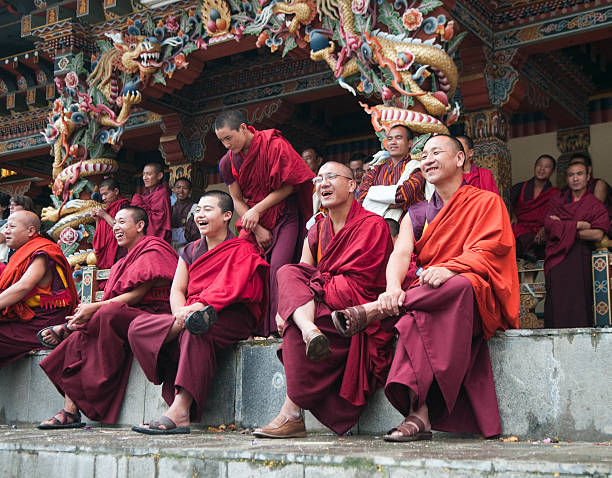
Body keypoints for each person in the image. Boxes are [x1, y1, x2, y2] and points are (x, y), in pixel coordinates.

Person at [332, 135, 519, 441]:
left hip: (474, 296)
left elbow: (492, 249)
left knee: (459, 285)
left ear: (460, 159)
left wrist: (451, 268)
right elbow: (401, 254)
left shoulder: (486, 202)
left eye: (436, 152)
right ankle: (418, 416)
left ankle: (376, 311)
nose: (428, 159)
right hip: (431, 297)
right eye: (424, 155)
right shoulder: (416, 213)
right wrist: (392, 287)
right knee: (417, 316)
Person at [253, 162, 394, 438]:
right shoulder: (317, 229)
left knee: (295, 316)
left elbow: (359, 285)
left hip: (354, 312)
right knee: (286, 272)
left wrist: (293, 305)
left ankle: (292, 414)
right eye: (319, 179)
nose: (323, 184)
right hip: (320, 308)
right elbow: (301, 272)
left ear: (352, 184)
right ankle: (309, 330)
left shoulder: (372, 225)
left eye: (331, 177)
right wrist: (289, 306)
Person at [129, 191, 269, 434]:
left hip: (229, 314)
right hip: (189, 313)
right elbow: (177, 289)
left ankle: (180, 409)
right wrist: (181, 314)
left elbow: (230, 288)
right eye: (198, 210)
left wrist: (197, 309)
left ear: (227, 215)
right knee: (137, 327)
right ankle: (181, 329)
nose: (199, 215)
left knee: (197, 330)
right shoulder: (190, 250)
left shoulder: (242, 249)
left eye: (207, 209)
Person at [38, 206, 178, 428]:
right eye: (116, 223)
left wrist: (93, 308)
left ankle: (75, 327)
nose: (116, 228)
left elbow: (137, 295)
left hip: (152, 317)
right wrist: (94, 310)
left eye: (122, 222)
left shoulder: (154, 247)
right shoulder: (122, 261)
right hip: (120, 317)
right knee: (84, 334)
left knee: (106, 313)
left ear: (140, 226)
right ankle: (70, 411)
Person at [215, 110, 314, 336]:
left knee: (278, 268)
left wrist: (257, 210)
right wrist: (256, 227)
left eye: (228, 138)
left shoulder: (274, 144)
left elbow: (291, 185)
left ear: (243, 128)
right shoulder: (226, 162)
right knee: (242, 266)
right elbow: (237, 199)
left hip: (283, 214)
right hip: (253, 222)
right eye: (221, 141)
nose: (226, 145)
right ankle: (248, 326)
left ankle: (280, 327)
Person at [0, 211, 77, 368]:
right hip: (24, 318)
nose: (6, 231)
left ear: (30, 230)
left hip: (41, 323)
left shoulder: (42, 252)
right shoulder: (21, 253)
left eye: (12, 226)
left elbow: (23, 286)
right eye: (6, 226)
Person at [544, 162, 609, 329]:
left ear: (588, 177)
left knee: (579, 297)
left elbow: (597, 234)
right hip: (557, 255)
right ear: (566, 178)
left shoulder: (594, 204)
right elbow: (549, 226)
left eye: (579, 174)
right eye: (571, 175)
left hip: (580, 255)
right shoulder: (557, 201)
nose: (575, 178)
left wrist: (565, 227)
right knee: (557, 296)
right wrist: (580, 224)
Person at [357, 125, 430, 222]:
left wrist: (374, 198)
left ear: (410, 143)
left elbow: (405, 194)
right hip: (376, 225)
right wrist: (394, 203)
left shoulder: (418, 168)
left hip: (407, 225)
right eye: (390, 139)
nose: (393, 142)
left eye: (398, 138)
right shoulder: (375, 171)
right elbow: (362, 198)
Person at [511, 155, 558, 261]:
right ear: (534, 166)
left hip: (541, 231)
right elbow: (505, 203)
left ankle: (529, 252)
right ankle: (529, 251)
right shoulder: (520, 187)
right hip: (520, 228)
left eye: (547, 167)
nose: (542, 169)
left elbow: (556, 213)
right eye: (539, 165)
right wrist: (512, 214)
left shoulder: (555, 193)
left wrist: (545, 227)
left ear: (552, 171)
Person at [91, 178, 130, 270]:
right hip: (106, 253)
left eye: (106, 194)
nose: (103, 198)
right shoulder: (108, 210)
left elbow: (122, 227)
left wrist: (104, 215)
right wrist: (97, 220)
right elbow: (100, 235)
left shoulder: (124, 205)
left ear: (116, 191)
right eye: (102, 195)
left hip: (120, 251)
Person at [131, 162, 172, 242]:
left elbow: (157, 219)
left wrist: (138, 202)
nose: (145, 178)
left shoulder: (161, 193)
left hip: (155, 237)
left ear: (159, 176)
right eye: (143, 174)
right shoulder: (146, 194)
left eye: (149, 174)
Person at [568, 153, 612, 218]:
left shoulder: (598, 184)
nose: (576, 168)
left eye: (580, 165)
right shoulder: (567, 189)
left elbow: (594, 210)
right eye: (573, 165)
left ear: (589, 169)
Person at [0, 195, 36, 264]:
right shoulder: (4, 222)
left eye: (15, 205)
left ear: (25, 207)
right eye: (10, 205)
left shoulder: (32, 221)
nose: (11, 207)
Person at [170, 177, 199, 250]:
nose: (181, 191)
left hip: (188, 247)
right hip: (171, 246)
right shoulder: (170, 208)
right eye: (178, 187)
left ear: (190, 191)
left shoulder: (195, 207)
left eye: (185, 188)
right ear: (173, 189)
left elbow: (194, 232)